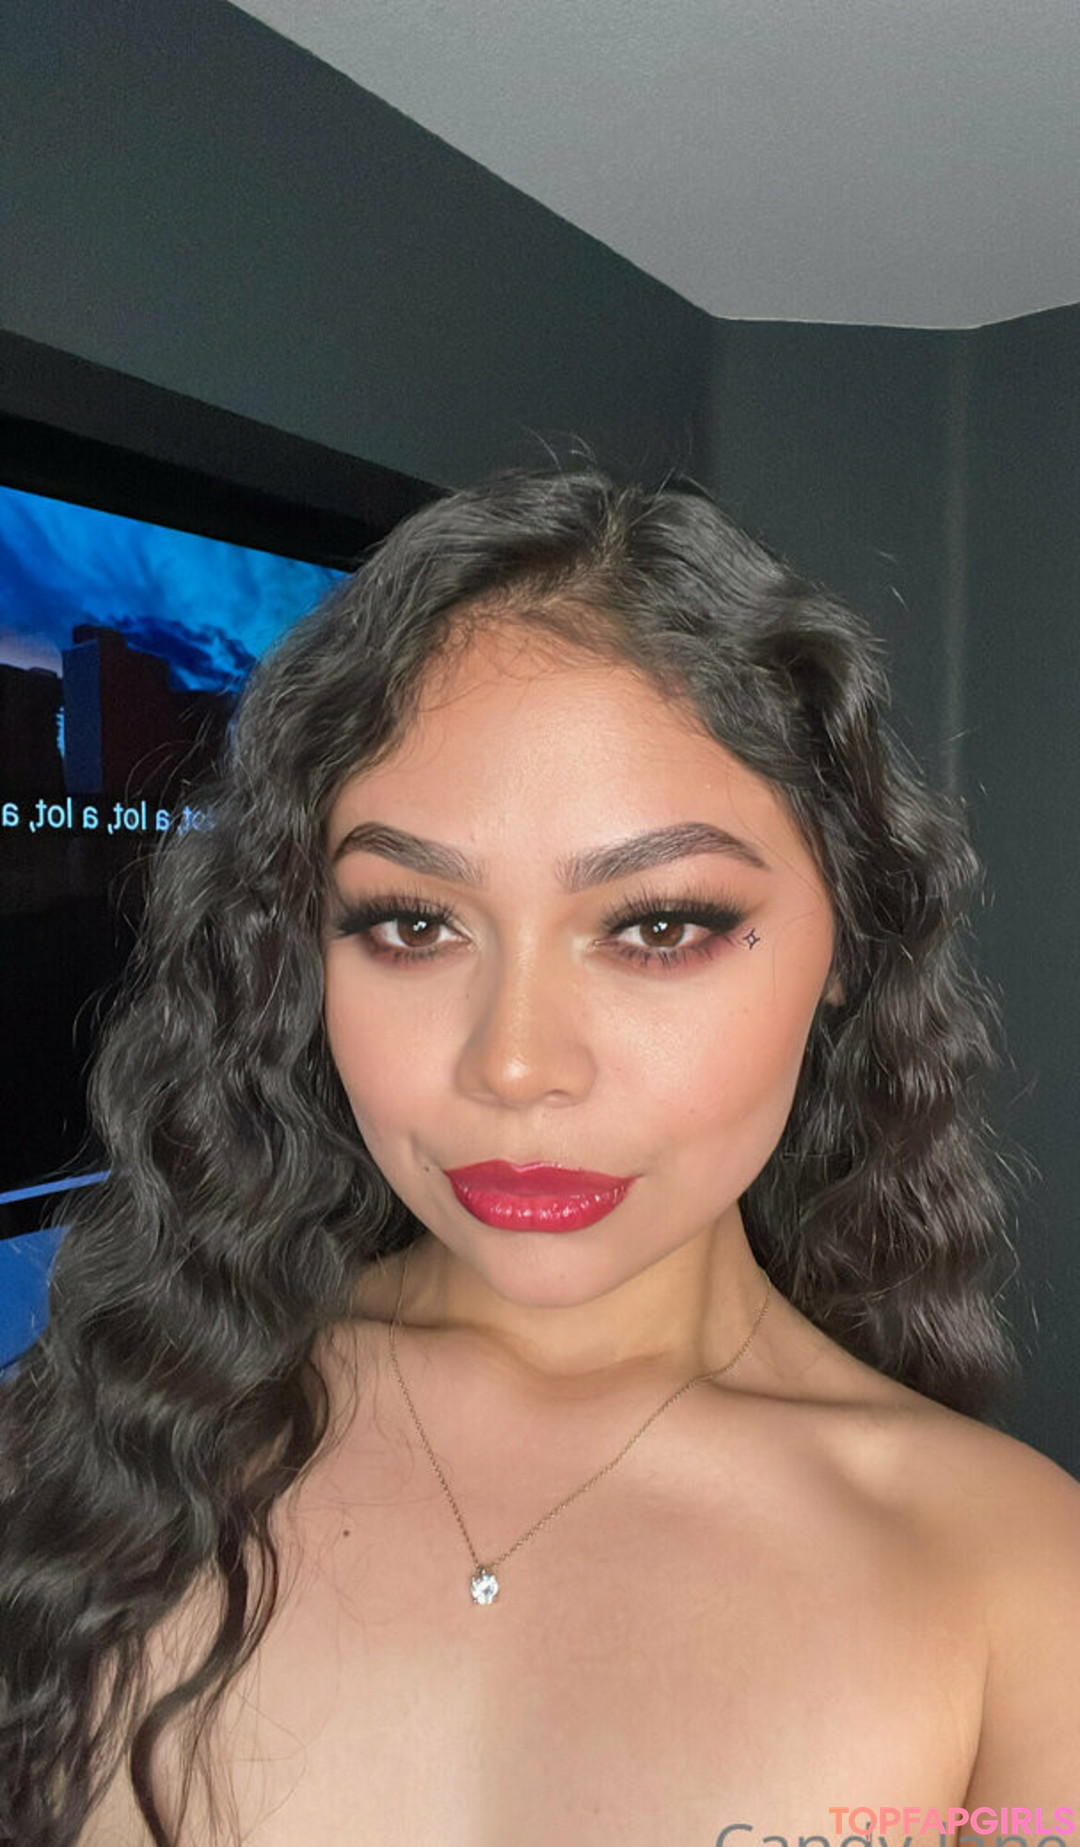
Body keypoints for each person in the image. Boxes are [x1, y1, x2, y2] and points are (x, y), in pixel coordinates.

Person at [1, 465, 1077, 1847]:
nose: (513, 1066)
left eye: (658, 926)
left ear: (846, 951)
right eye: (412, 923)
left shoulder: (1017, 1593)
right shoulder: (76, 1456)